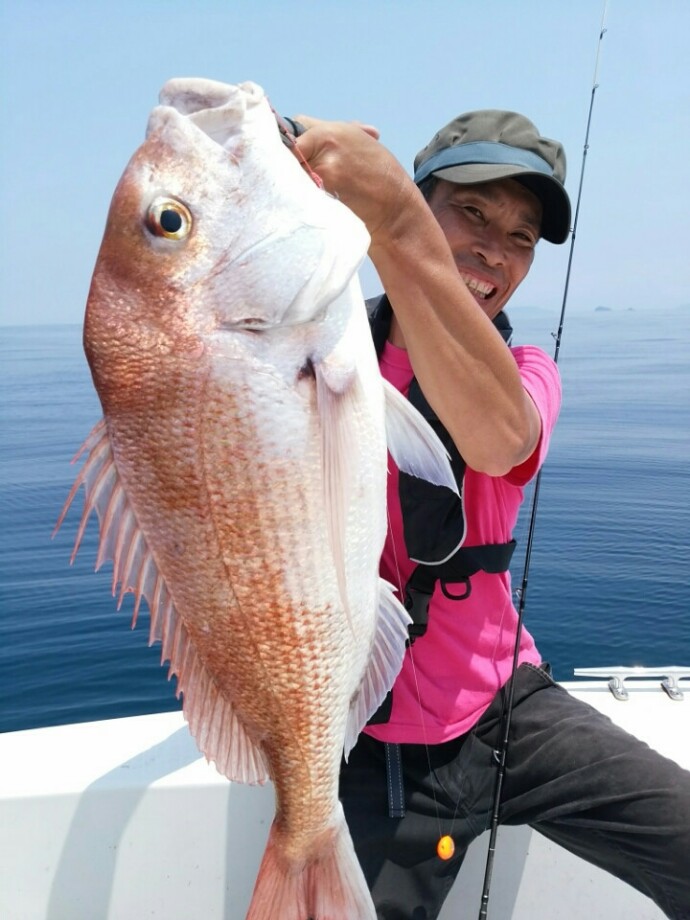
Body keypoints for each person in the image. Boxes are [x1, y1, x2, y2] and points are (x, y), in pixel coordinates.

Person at [294, 111, 690, 919]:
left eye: (521, 236)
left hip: (509, 707)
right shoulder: (323, 357)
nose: (495, 251)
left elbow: (498, 437)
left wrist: (395, 225)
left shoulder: (528, 371)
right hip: (372, 741)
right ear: (420, 199)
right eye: (471, 212)